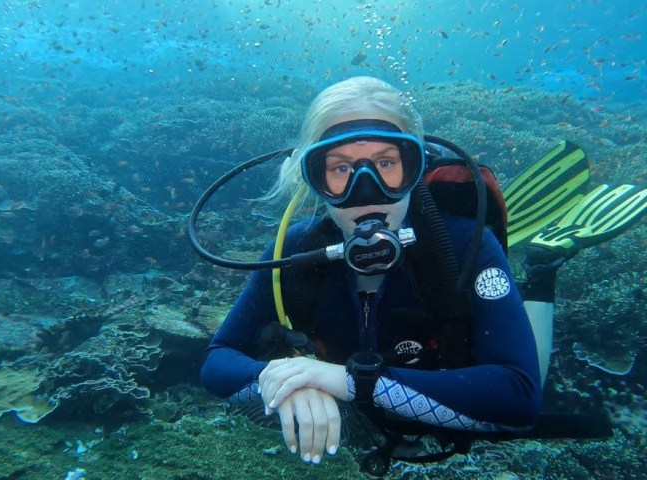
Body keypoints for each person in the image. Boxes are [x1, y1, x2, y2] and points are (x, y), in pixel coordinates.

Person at [200, 76, 543, 465]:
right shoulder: (295, 249)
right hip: (372, 428)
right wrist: (287, 381)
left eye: (385, 163)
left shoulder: (464, 244)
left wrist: (342, 381)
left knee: (541, 366)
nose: (366, 191)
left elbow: (521, 397)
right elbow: (217, 359)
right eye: (341, 168)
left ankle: (543, 270)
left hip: (450, 429)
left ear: (414, 167)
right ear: (314, 178)